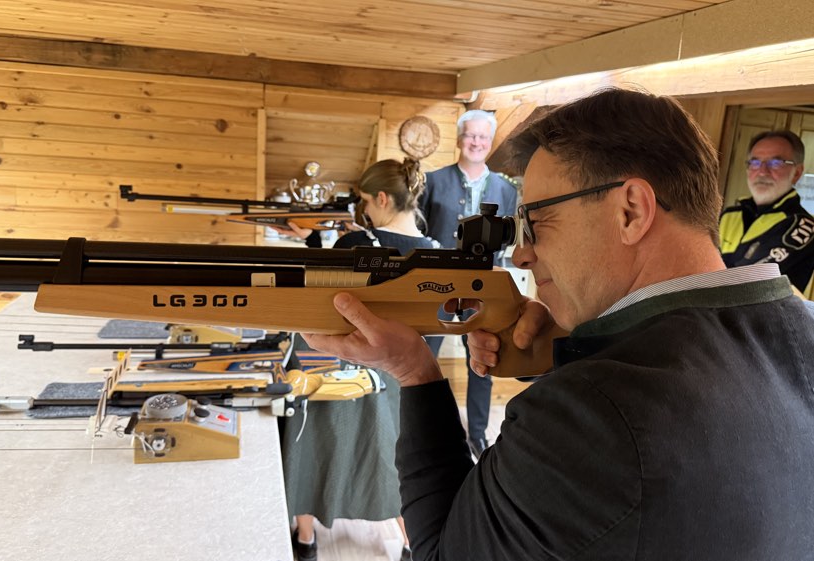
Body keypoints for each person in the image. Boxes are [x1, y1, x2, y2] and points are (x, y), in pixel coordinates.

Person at [303, 88, 814, 560]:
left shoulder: (590, 411)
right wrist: (578, 347)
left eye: (536, 220)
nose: (522, 254)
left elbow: (443, 551)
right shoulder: (799, 331)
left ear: (632, 211)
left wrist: (414, 370)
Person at [280, 158, 438, 561]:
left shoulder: (354, 247)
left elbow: (317, 296)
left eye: (366, 201)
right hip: (400, 383)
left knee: (309, 445)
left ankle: (305, 539)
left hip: (339, 372)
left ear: (383, 198)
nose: (363, 210)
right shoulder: (437, 253)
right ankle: (410, 543)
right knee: (393, 465)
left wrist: (311, 240)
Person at [419, 109, 518, 458]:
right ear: (459, 140)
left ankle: (477, 435)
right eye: (470, 135)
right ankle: (424, 428)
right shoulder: (432, 182)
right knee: (422, 357)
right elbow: (419, 231)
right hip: (436, 285)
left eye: (482, 137)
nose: (476, 142)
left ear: (490, 142)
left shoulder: (506, 189)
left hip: (482, 289)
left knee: (482, 361)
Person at [719, 130, 814, 298]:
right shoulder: (729, 215)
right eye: (755, 162)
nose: (762, 171)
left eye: (775, 163)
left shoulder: (804, 225)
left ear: (797, 173)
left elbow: (746, 283)